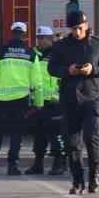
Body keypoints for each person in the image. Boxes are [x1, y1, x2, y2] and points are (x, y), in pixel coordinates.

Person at [44, 9, 99, 194]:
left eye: (80, 28)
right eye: (73, 28)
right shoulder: (61, 46)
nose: (77, 32)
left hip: (92, 98)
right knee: (72, 143)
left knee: (92, 138)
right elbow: (51, 68)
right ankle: (77, 181)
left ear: (86, 25)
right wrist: (68, 71)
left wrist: (93, 70)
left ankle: (94, 176)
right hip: (70, 98)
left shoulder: (98, 44)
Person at [0, 22, 41, 175]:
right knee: (16, 134)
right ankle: (12, 166)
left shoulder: (0, 52)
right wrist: (38, 103)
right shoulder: (31, 54)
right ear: (24, 35)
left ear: (12, 33)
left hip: (2, 100)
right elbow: (37, 83)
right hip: (21, 100)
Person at [27, 26, 67, 176]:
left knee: (56, 135)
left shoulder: (58, 54)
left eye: (42, 38)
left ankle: (60, 164)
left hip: (55, 102)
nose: (40, 41)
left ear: (50, 39)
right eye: (38, 38)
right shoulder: (33, 54)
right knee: (39, 135)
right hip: (38, 101)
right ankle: (38, 165)